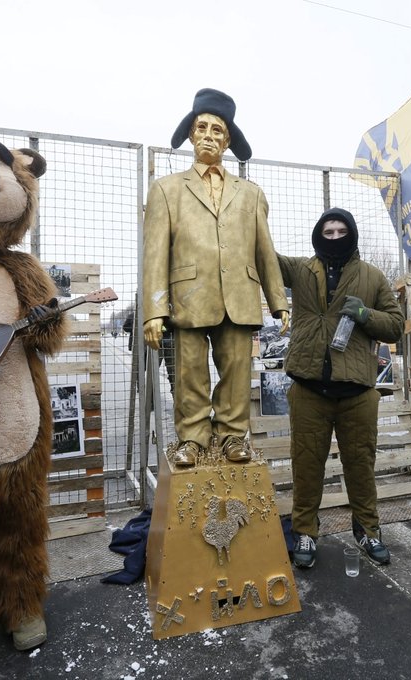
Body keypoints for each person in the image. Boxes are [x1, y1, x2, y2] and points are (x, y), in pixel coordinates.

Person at [142, 88, 289, 467]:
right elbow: (155, 253)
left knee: (237, 372)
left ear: (227, 140)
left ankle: (232, 437)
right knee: (189, 373)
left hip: (239, 295)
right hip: (189, 297)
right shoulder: (166, 189)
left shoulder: (252, 194)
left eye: (217, 130)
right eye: (201, 127)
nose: (208, 135)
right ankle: (192, 438)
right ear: (191, 135)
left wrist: (278, 300)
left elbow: (264, 250)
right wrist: (153, 309)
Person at [277, 207, 404, 569]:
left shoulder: (372, 276)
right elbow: (262, 258)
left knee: (361, 466)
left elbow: (395, 326)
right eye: (328, 231)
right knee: (306, 465)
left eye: (341, 231)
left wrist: (365, 315)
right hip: (309, 390)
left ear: (352, 234)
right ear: (319, 234)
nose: (334, 237)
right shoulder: (302, 270)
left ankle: (367, 529)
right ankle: (305, 530)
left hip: (358, 393)